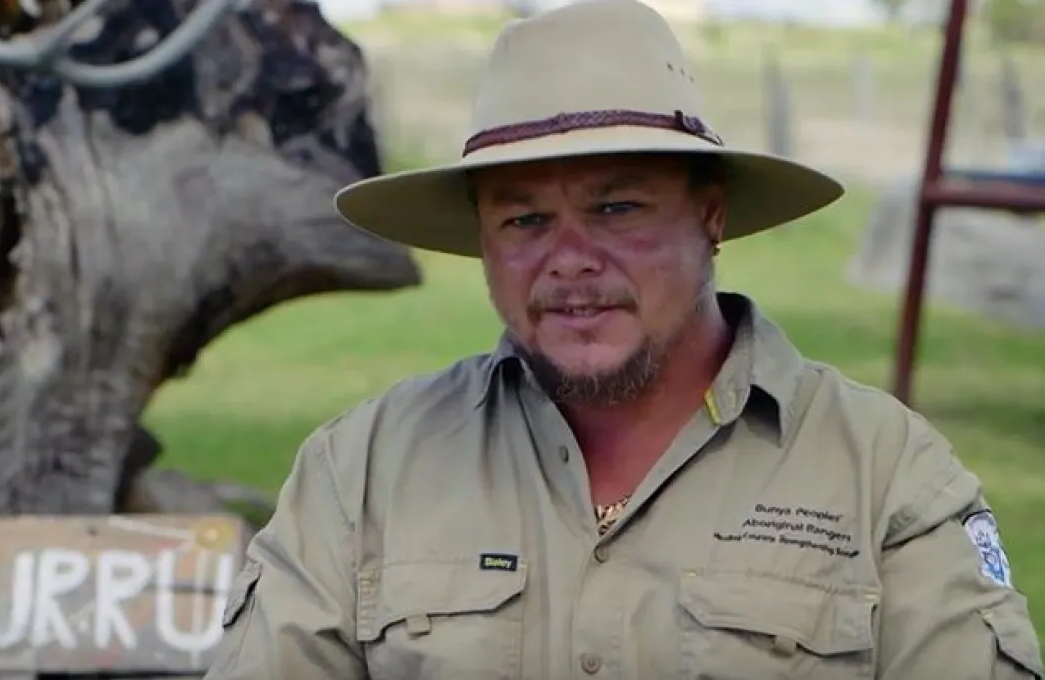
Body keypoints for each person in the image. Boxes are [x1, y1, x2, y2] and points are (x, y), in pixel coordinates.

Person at [203, 0, 1044, 678]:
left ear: (710, 214)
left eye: (617, 208)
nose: (570, 260)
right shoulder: (362, 473)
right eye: (525, 218)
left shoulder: (884, 477)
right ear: (484, 246)